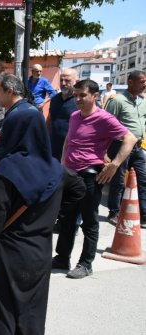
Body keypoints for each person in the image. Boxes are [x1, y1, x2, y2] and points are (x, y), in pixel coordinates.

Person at [0, 72, 65, 335]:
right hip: (39, 253)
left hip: (8, 255)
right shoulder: (57, 170)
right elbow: (78, 193)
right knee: (32, 313)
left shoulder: (7, 171)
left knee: (1, 315)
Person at [52, 79, 136, 279]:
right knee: (66, 219)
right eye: (76, 95)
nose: (78, 99)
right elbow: (68, 140)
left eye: (83, 95)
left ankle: (86, 263)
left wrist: (114, 165)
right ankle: (62, 258)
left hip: (89, 175)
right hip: (70, 174)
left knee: (89, 220)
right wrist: (63, 162)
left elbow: (130, 139)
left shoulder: (104, 118)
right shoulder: (74, 116)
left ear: (95, 96)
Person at [105, 70, 146, 227]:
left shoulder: (142, 102)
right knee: (118, 180)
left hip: (137, 147)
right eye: (142, 81)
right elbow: (107, 125)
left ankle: (143, 214)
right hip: (120, 146)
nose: (144, 84)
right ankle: (114, 212)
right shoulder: (118, 101)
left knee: (143, 180)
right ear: (130, 82)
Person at [49, 68, 78, 161]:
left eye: (67, 80)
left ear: (76, 82)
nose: (63, 83)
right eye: (61, 80)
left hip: (74, 152)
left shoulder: (81, 101)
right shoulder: (54, 99)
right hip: (54, 151)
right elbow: (50, 120)